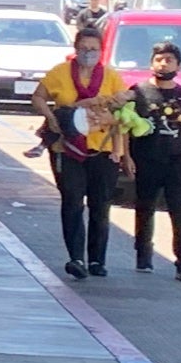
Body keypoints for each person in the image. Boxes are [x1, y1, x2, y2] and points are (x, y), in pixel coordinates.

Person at [34, 22, 131, 278]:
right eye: (84, 48)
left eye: (94, 48)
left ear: (101, 51)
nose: (88, 52)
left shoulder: (111, 77)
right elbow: (38, 97)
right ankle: (76, 257)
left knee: (100, 205)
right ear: (75, 49)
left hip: (102, 148)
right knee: (72, 201)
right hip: (66, 148)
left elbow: (125, 114)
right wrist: (52, 118)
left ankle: (97, 260)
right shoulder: (60, 72)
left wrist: (118, 146)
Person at [127, 40, 181, 278]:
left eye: (169, 60)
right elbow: (124, 126)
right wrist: (126, 157)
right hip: (146, 159)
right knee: (144, 207)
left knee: (180, 209)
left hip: (176, 160)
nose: (163, 64)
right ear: (151, 63)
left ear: (179, 65)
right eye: (159, 59)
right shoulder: (138, 91)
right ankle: (143, 256)